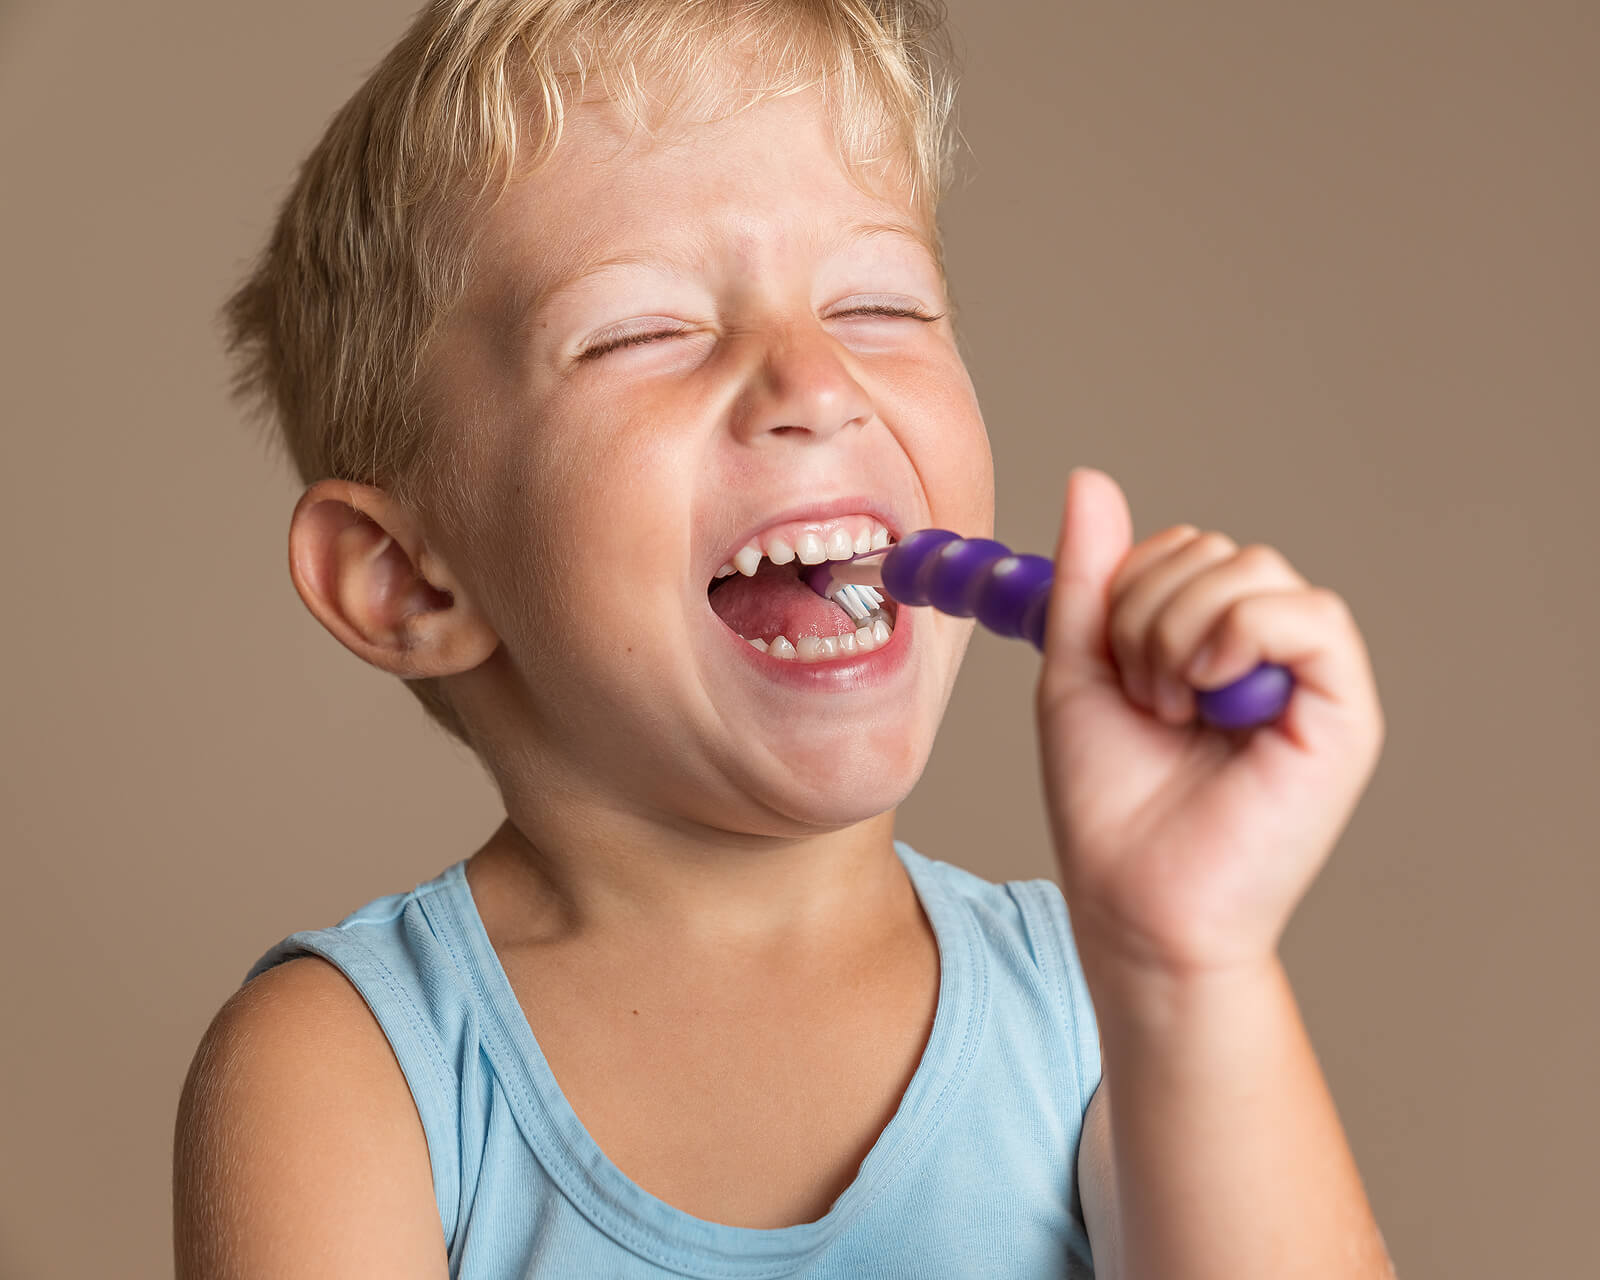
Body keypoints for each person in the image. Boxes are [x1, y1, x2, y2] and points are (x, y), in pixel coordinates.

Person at [174, 2, 1395, 1276]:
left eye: (879, 305)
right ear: (402, 580)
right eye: (644, 330)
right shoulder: (347, 1062)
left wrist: (1189, 960)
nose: (816, 383)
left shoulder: (1113, 1008)